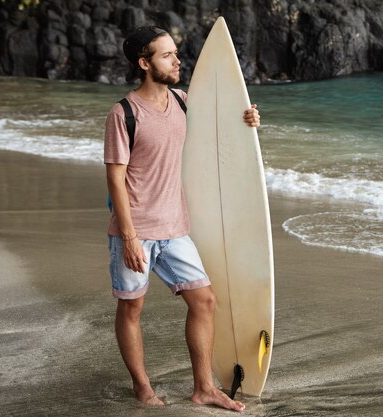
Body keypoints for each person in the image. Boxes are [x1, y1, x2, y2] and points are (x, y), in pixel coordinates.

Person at [104, 25, 259, 412]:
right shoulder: (123, 114)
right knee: (132, 307)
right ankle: (142, 387)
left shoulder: (184, 101)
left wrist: (249, 121)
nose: (177, 60)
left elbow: (220, 133)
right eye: (167, 55)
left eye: (176, 53)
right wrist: (128, 237)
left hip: (175, 228)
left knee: (204, 301)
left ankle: (203, 387)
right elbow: (115, 179)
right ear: (144, 63)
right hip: (136, 228)